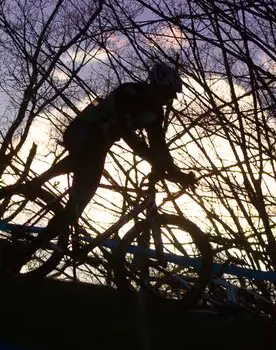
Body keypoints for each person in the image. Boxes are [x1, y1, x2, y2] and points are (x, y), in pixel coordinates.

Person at [42, 63, 196, 244]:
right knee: (90, 153)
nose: (167, 100)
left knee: (75, 210)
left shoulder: (155, 114)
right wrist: (150, 157)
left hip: (99, 145)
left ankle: (25, 251)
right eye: (167, 94)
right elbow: (126, 131)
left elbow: (158, 147)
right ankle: (40, 180)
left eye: (171, 97)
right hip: (82, 130)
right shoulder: (129, 92)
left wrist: (176, 173)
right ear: (155, 86)